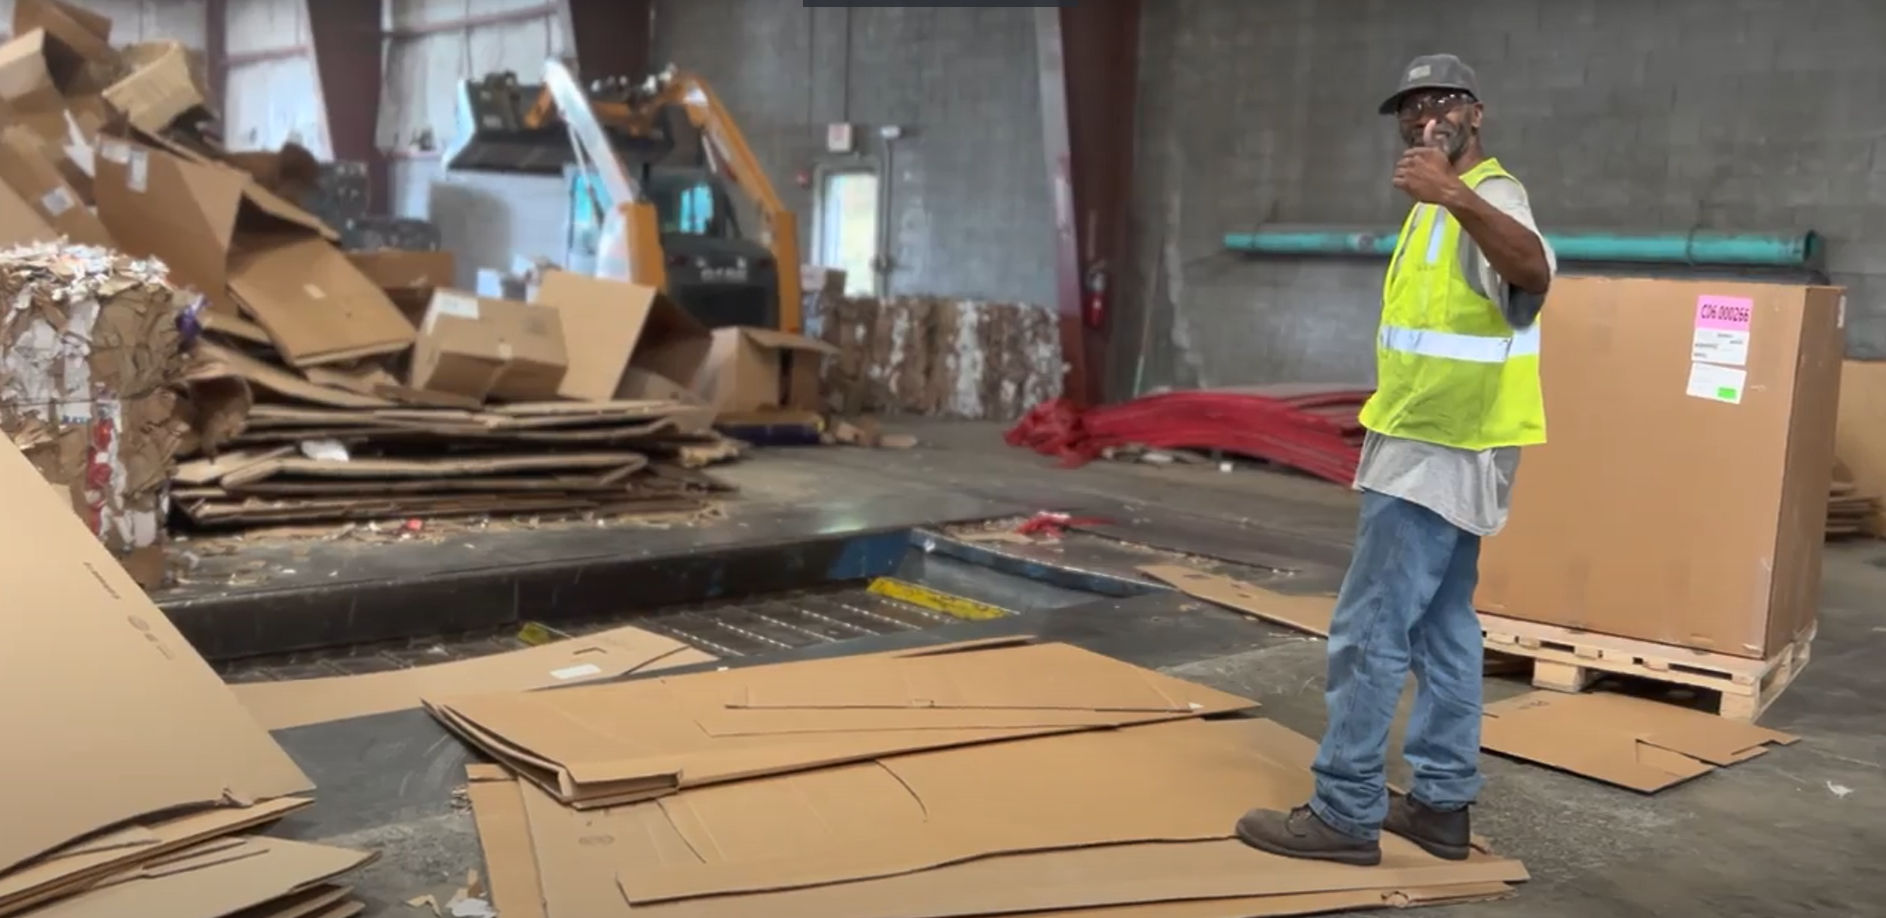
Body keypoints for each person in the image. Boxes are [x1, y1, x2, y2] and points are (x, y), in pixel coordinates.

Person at [1233, 54, 1556, 867]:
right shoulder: (1432, 204)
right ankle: (1442, 807)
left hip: (1437, 451)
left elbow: (1535, 271)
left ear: (1476, 112)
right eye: (1410, 111)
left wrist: (1453, 191)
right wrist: (1441, 196)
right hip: (1437, 441)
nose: (1424, 120)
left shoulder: (1486, 194)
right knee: (1444, 628)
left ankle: (1345, 810)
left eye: (1441, 103)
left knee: (1370, 628)